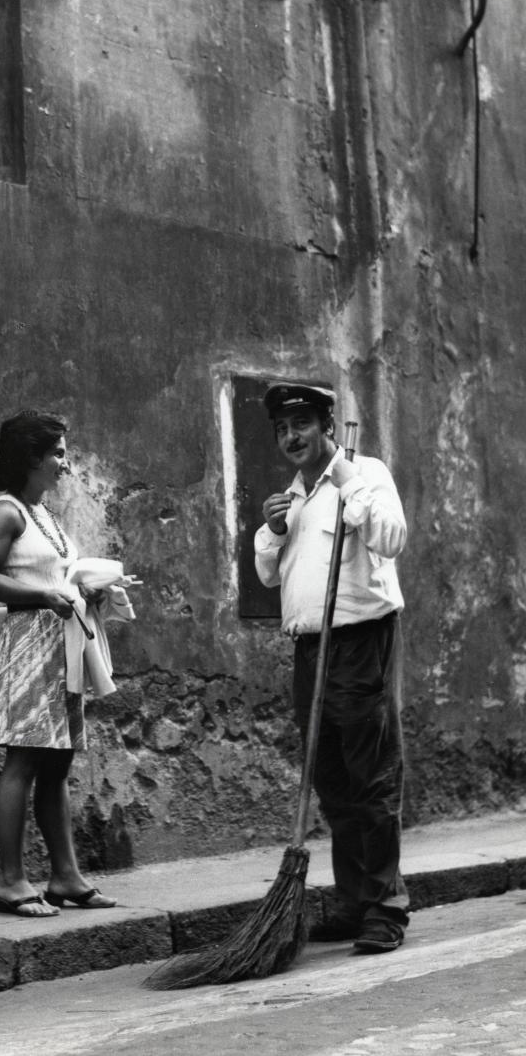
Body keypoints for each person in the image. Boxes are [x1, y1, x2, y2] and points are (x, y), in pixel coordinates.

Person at [254, 382, 410, 953]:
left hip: (362, 640)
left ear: (326, 426)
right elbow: (269, 576)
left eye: (301, 425)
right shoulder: (292, 497)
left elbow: (392, 539)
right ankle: (353, 901)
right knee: (334, 782)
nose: (291, 438)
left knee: (373, 779)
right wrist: (272, 530)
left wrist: (351, 486)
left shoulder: (366, 473)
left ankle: (385, 908)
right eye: (281, 430)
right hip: (310, 648)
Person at [0, 410, 117, 917]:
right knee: (23, 759)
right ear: (31, 458)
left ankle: (65, 876)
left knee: (57, 763)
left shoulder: (45, 517)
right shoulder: (7, 511)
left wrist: (87, 591)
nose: (64, 463)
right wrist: (44, 596)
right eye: (57, 453)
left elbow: (58, 580)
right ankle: (10, 881)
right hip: (30, 646)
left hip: (64, 646)